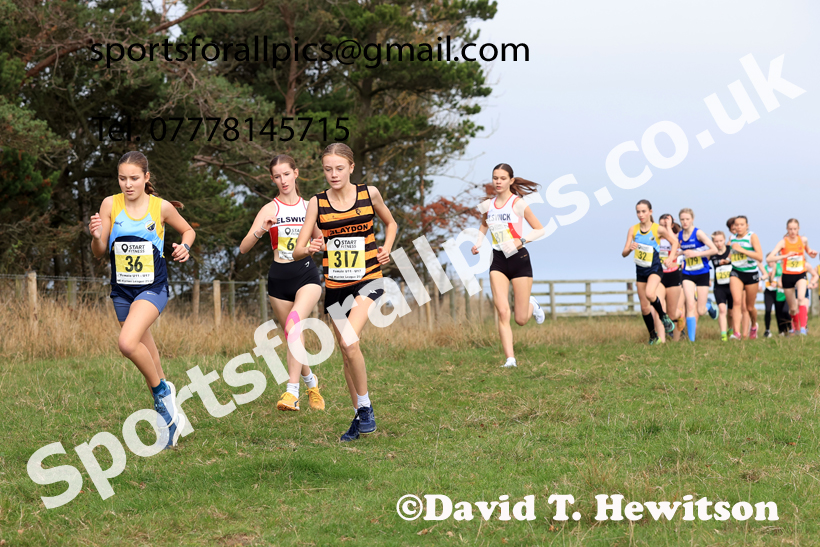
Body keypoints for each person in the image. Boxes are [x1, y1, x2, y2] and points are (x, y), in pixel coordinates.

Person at [88, 151, 194, 449]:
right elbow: (99, 251)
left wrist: (185, 246)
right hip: (122, 291)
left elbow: (187, 230)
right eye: (122, 178)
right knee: (147, 353)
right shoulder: (110, 204)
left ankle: (162, 396)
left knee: (127, 343)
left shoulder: (159, 208)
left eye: (134, 178)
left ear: (146, 178)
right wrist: (96, 236)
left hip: (153, 289)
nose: (128, 184)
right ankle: (170, 421)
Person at [293, 143, 397, 442]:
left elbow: (390, 223)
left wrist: (386, 249)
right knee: (346, 352)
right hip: (337, 287)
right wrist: (311, 248)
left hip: (369, 279)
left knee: (350, 341)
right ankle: (359, 416)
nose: (333, 174)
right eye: (328, 169)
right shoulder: (317, 203)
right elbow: (298, 249)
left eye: (339, 168)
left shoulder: (369, 194)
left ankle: (365, 408)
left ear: (351, 167)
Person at [239, 154, 325, 412]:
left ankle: (292, 393)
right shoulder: (270, 209)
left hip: (306, 274)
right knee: (293, 335)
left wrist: (315, 245)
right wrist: (261, 230)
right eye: (277, 176)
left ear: (295, 174)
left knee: (293, 325)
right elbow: (244, 248)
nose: (282, 180)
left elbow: (321, 240)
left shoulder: (310, 206)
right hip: (279, 278)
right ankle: (312, 385)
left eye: (286, 174)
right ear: (272, 179)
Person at [471, 163, 547, 368]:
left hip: (519, 258)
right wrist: (478, 243)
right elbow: (484, 224)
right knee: (503, 312)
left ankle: (533, 304)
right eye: (495, 177)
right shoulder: (488, 205)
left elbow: (540, 229)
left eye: (503, 178)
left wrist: (520, 241)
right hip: (498, 260)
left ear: (511, 181)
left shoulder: (518, 204)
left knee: (521, 319)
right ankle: (510, 359)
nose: (498, 181)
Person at [621, 200, 679, 344]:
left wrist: (671, 258)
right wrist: (630, 248)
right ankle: (653, 336)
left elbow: (675, 242)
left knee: (650, 293)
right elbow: (624, 253)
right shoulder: (633, 230)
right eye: (638, 212)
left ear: (650, 212)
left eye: (643, 211)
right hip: (640, 271)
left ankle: (663, 316)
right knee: (644, 307)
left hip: (654, 269)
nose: (640, 215)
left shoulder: (657, 229)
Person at [765, 219, 818, 336]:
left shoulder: (803, 240)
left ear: (798, 229)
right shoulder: (782, 243)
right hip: (787, 276)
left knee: (801, 298)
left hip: (800, 274)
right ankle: (797, 328)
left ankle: (803, 329)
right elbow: (769, 259)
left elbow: (808, 251)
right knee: (793, 308)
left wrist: (811, 253)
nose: (793, 231)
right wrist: (785, 255)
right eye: (790, 229)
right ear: (787, 229)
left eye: (795, 229)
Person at [677, 208, 718, 341]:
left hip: (702, 272)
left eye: (687, 219)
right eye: (682, 219)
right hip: (687, 273)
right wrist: (679, 254)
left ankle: (709, 305)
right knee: (689, 305)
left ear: (692, 219)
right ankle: (692, 340)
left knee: (700, 310)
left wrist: (696, 254)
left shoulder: (698, 233)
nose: (685, 222)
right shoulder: (679, 235)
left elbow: (714, 250)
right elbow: (679, 250)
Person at [728, 216, 765, 340]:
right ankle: (736, 333)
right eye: (736, 225)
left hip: (750, 274)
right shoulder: (732, 238)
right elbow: (732, 254)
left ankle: (753, 325)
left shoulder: (752, 236)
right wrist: (726, 260)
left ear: (747, 225)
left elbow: (760, 257)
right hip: (736, 272)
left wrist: (742, 250)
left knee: (749, 307)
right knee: (736, 302)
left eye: (741, 225)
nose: (738, 227)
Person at [658, 214, 683, 342]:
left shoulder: (674, 238)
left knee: (671, 313)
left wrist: (668, 228)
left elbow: (677, 245)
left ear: (672, 225)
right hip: (659, 276)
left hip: (673, 275)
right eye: (661, 225)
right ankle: (661, 341)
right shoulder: (655, 237)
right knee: (659, 309)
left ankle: (680, 316)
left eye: (666, 225)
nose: (662, 228)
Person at [710, 231, 733, 341]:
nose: (719, 243)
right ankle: (723, 335)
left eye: (720, 241)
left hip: (732, 285)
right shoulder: (712, 253)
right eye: (716, 241)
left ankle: (731, 330)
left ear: (724, 240)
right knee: (722, 309)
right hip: (719, 287)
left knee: (732, 313)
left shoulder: (730, 250)